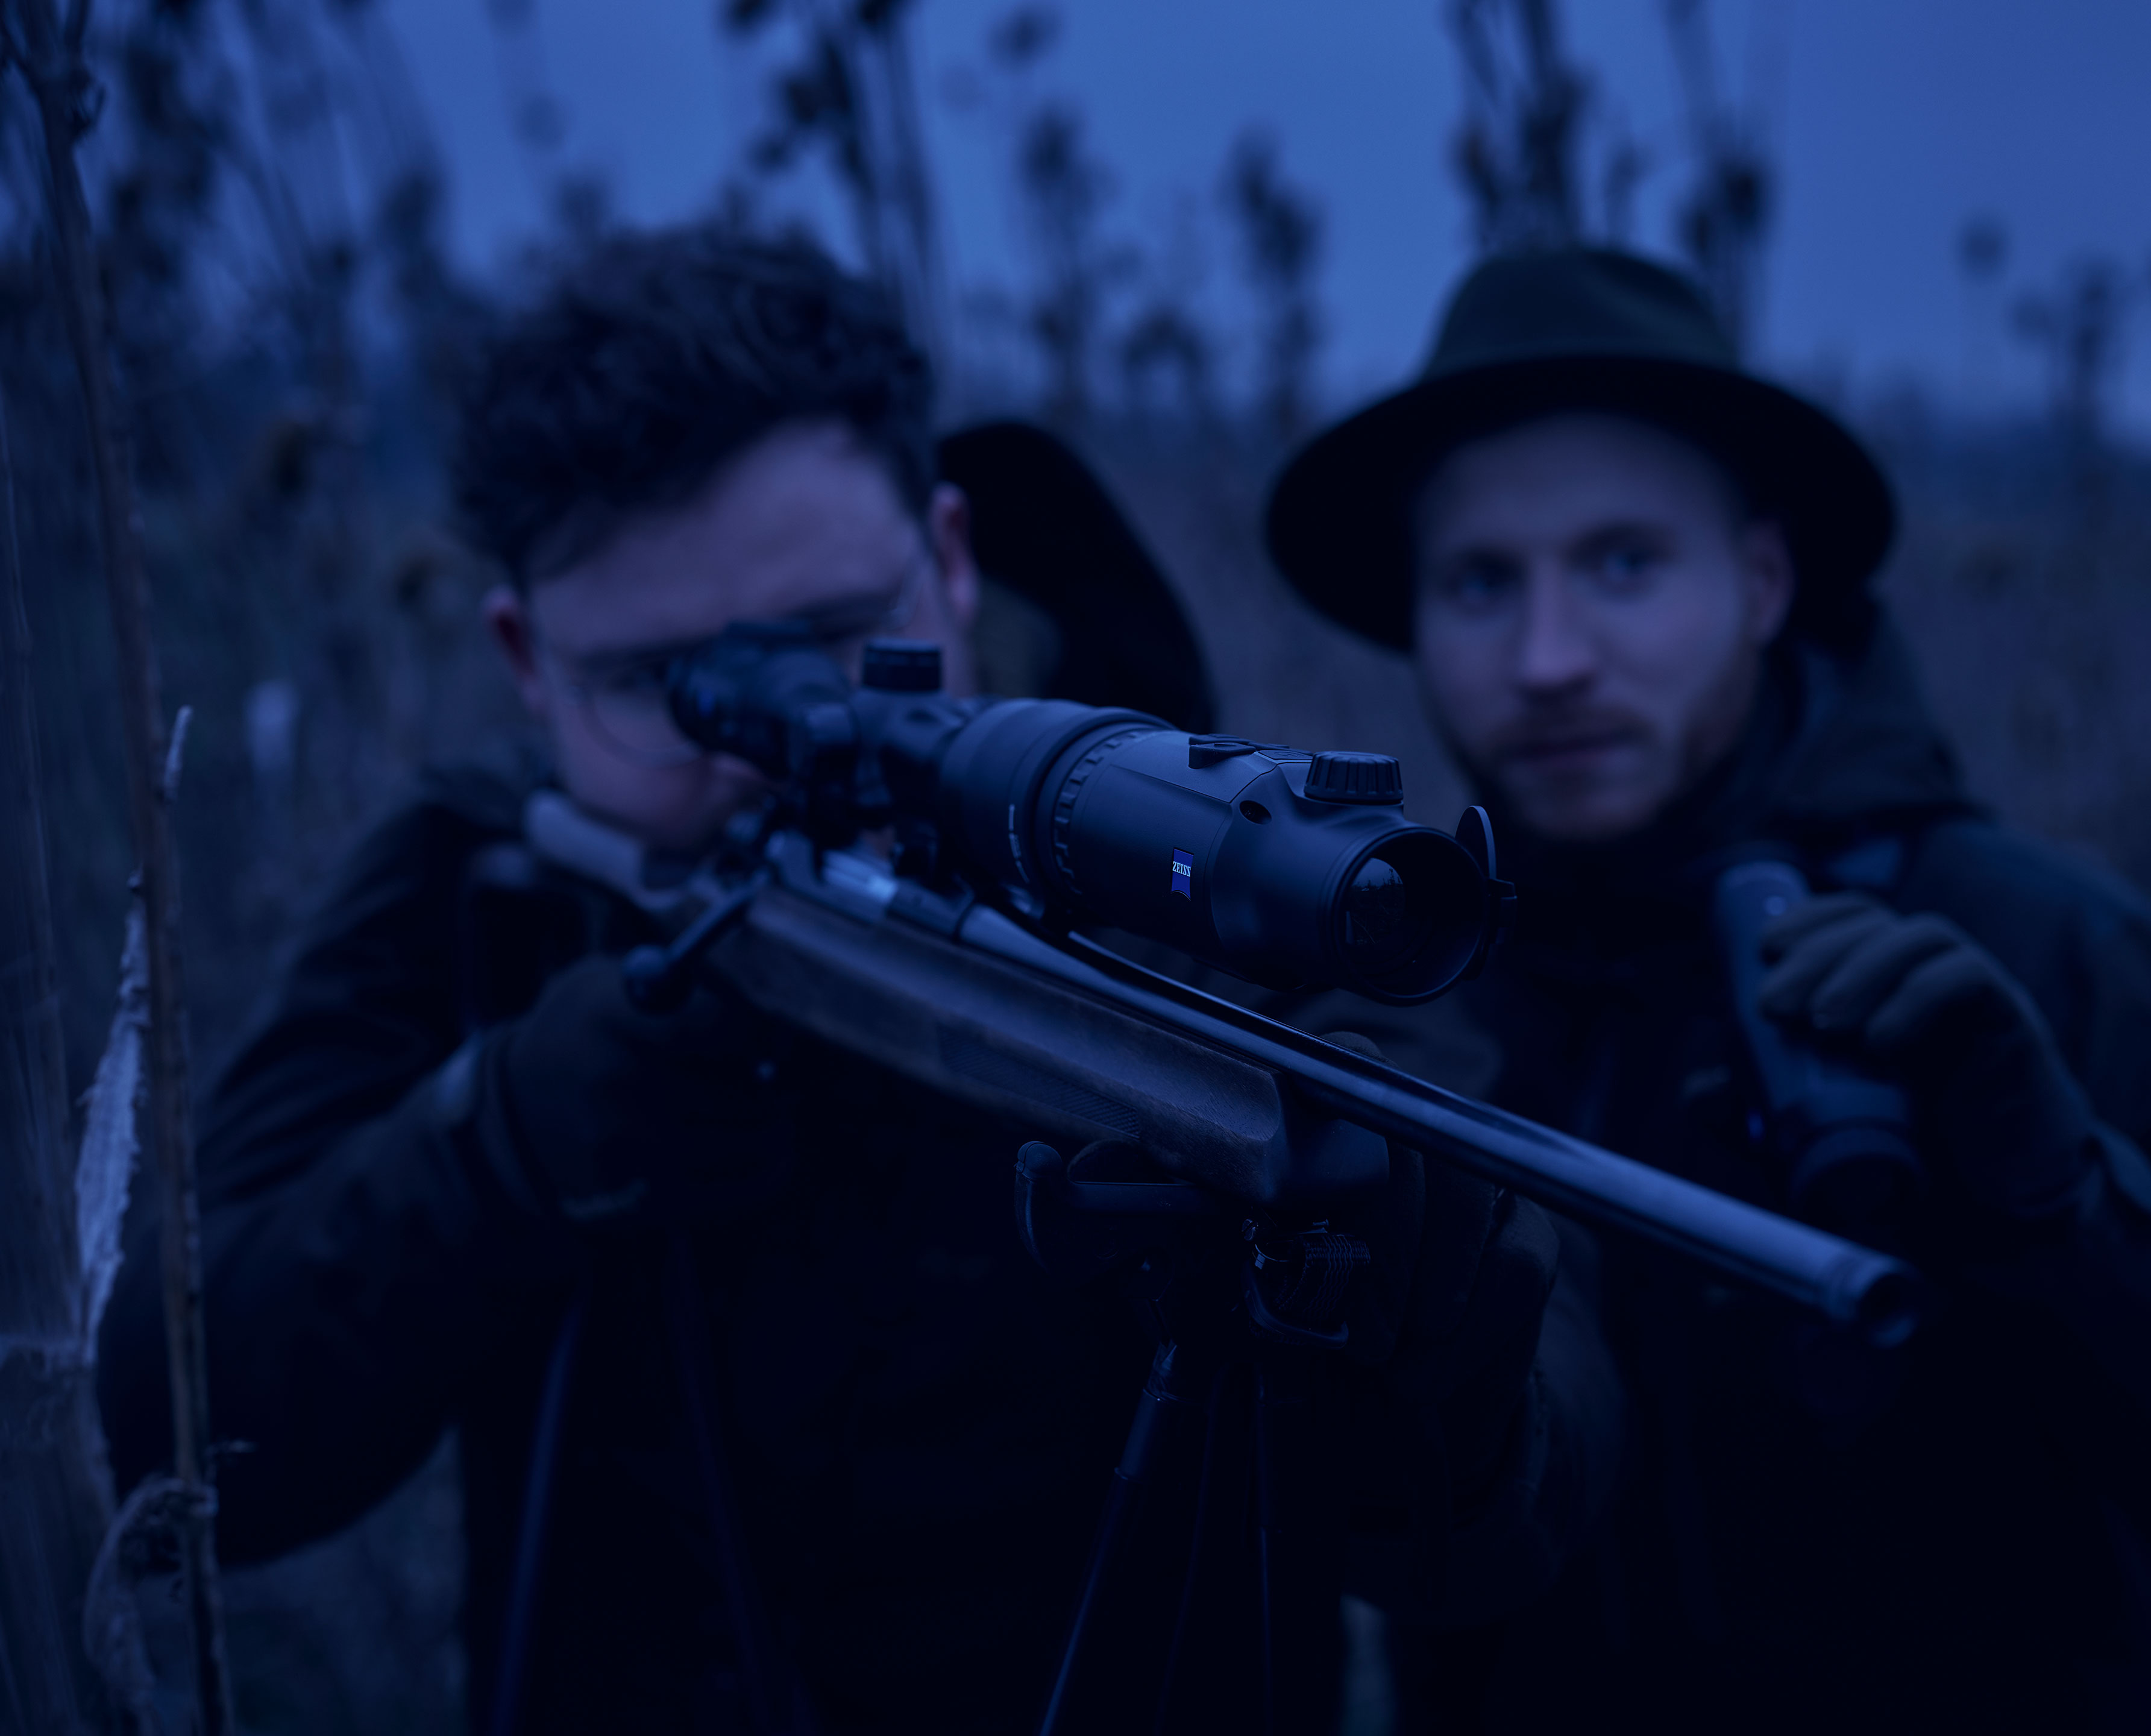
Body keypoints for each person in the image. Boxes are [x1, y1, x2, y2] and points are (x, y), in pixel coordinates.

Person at [98, 228, 1615, 1735]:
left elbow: (1527, 1487)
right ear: (525, 660)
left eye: (837, 640)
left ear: (948, 557)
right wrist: (497, 1146)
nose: (771, 746)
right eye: (662, 687)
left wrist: (1408, 1307)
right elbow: (158, 1441)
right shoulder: (482, 884)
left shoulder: (1198, 885)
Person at [1264, 247, 2151, 1734]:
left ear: (1761, 582)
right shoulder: (1394, 1003)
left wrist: (2069, 1209)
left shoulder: (2045, 950)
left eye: (1624, 564)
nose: (1549, 659)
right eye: (1483, 583)